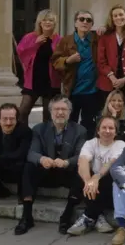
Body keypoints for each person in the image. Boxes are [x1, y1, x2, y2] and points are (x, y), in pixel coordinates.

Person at [15, 95, 87, 235]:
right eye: (56, 109)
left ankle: (67, 215)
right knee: (28, 167)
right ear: (50, 111)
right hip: (46, 172)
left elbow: (81, 155)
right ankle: (27, 216)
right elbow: (31, 152)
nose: (60, 112)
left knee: (82, 170)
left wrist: (67, 162)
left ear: (69, 112)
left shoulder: (80, 130)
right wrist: (42, 159)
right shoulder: (39, 129)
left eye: (63, 109)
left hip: (66, 172)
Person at [67, 116, 125, 236]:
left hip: (110, 187)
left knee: (109, 177)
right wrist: (88, 181)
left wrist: (96, 177)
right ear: (98, 130)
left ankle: (88, 217)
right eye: (104, 127)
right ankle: (98, 216)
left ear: (116, 132)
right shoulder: (91, 143)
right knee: (80, 174)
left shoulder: (121, 145)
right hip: (93, 188)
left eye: (111, 128)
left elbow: (111, 163)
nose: (107, 131)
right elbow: (83, 161)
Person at [51, 10, 100, 139]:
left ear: (92, 24)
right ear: (75, 23)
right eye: (81, 19)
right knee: (70, 123)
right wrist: (67, 60)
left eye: (88, 20)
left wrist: (105, 28)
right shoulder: (66, 41)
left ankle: (86, 150)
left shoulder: (97, 39)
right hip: (72, 90)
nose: (85, 22)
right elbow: (55, 62)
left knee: (89, 124)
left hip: (92, 91)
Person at [16, 9, 62, 125]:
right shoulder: (30, 37)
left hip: (50, 81)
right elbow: (21, 53)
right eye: (45, 20)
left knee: (48, 114)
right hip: (33, 80)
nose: (47, 22)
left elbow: (61, 59)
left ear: (54, 23)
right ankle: (24, 137)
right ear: (39, 22)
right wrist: (35, 43)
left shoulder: (58, 40)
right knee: (23, 111)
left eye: (50, 20)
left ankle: (44, 140)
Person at [97, 4, 125, 113]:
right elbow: (101, 61)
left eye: (121, 14)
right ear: (112, 19)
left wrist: (124, 78)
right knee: (108, 115)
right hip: (108, 83)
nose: (118, 18)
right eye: (115, 15)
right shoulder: (104, 38)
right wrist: (113, 78)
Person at [0, 103, 32, 200]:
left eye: (12, 119)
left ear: (17, 119)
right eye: (5, 119)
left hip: (17, 168)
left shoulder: (25, 131)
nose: (8, 123)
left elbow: (21, 154)